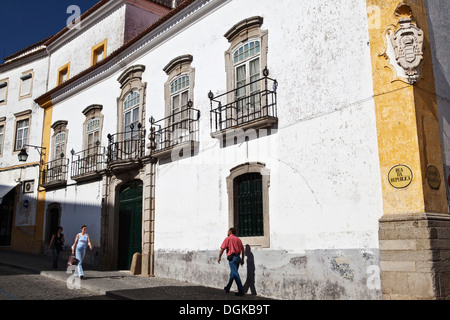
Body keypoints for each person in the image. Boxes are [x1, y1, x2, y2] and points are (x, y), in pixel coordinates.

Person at [217, 227, 245, 296]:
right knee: (233, 274)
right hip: (238, 258)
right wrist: (242, 259)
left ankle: (241, 290)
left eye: (228, 231)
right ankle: (228, 287)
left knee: (235, 274)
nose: (227, 232)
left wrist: (219, 257)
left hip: (232, 258)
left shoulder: (228, 239)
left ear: (230, 232)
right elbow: (243, 250)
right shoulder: (238, 239)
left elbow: (222, 249)